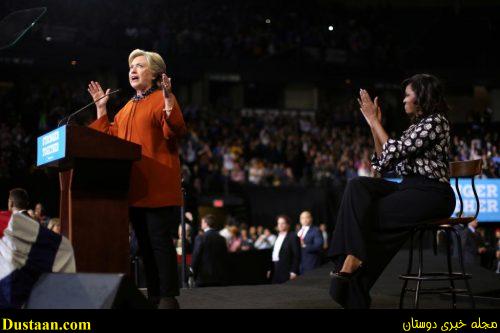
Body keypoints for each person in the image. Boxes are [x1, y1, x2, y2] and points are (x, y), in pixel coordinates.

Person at [328, 74, 456, 309]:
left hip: (433, 193)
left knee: (373, 214)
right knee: (357, 185)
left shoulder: (436, 121)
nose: (404, 100)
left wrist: (375, 122)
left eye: (408, 94)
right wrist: (373, 125)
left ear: (422, 96)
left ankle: (352, 271)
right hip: (409, 188)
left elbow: (396, 151)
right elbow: (383, 164)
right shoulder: (415, 126)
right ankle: (353, 258)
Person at [87, 49, 186, 309]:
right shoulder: (128, 106)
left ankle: (168, 296)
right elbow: (108, 138)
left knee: (160, 244)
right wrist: (101, 108)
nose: (133, 69)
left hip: (158, 186)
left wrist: (168, 99)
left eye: (140, 66)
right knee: (144, 246)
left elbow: (174, 129)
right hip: (135, 189)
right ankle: (154, 294)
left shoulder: (160, 100)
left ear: (154, 74)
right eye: (131, 66)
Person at [191, 215, 229, 287]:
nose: (201, 224)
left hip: (203, 277)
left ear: (206, 223)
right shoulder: (221, 238)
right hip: (218, 277)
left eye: (202, 222)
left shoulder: (200, 237)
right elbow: (225, 256)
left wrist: (192, 270)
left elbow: (196, 255)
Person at [268, 215, 301, 284]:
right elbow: (274, 253)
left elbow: (297, 255)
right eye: (278, 223)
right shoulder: (277, 236)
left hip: (286, 269)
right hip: (275, 268)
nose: (280, 225)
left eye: (282, 223)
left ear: (288, 225)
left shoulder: (293, 236)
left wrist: (294, 271)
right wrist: (270, 269)